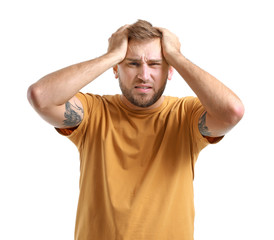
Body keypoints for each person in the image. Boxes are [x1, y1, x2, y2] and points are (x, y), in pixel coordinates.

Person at [27, 20, 244, 240]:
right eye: (132, 63)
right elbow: (41, 97)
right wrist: (111, 55)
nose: (144, 74)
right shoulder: (93, 113)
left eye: (155, 64)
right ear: (115, 69)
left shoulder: (185, 115)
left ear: (170, 71)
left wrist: (176, 56)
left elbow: (232, 111)